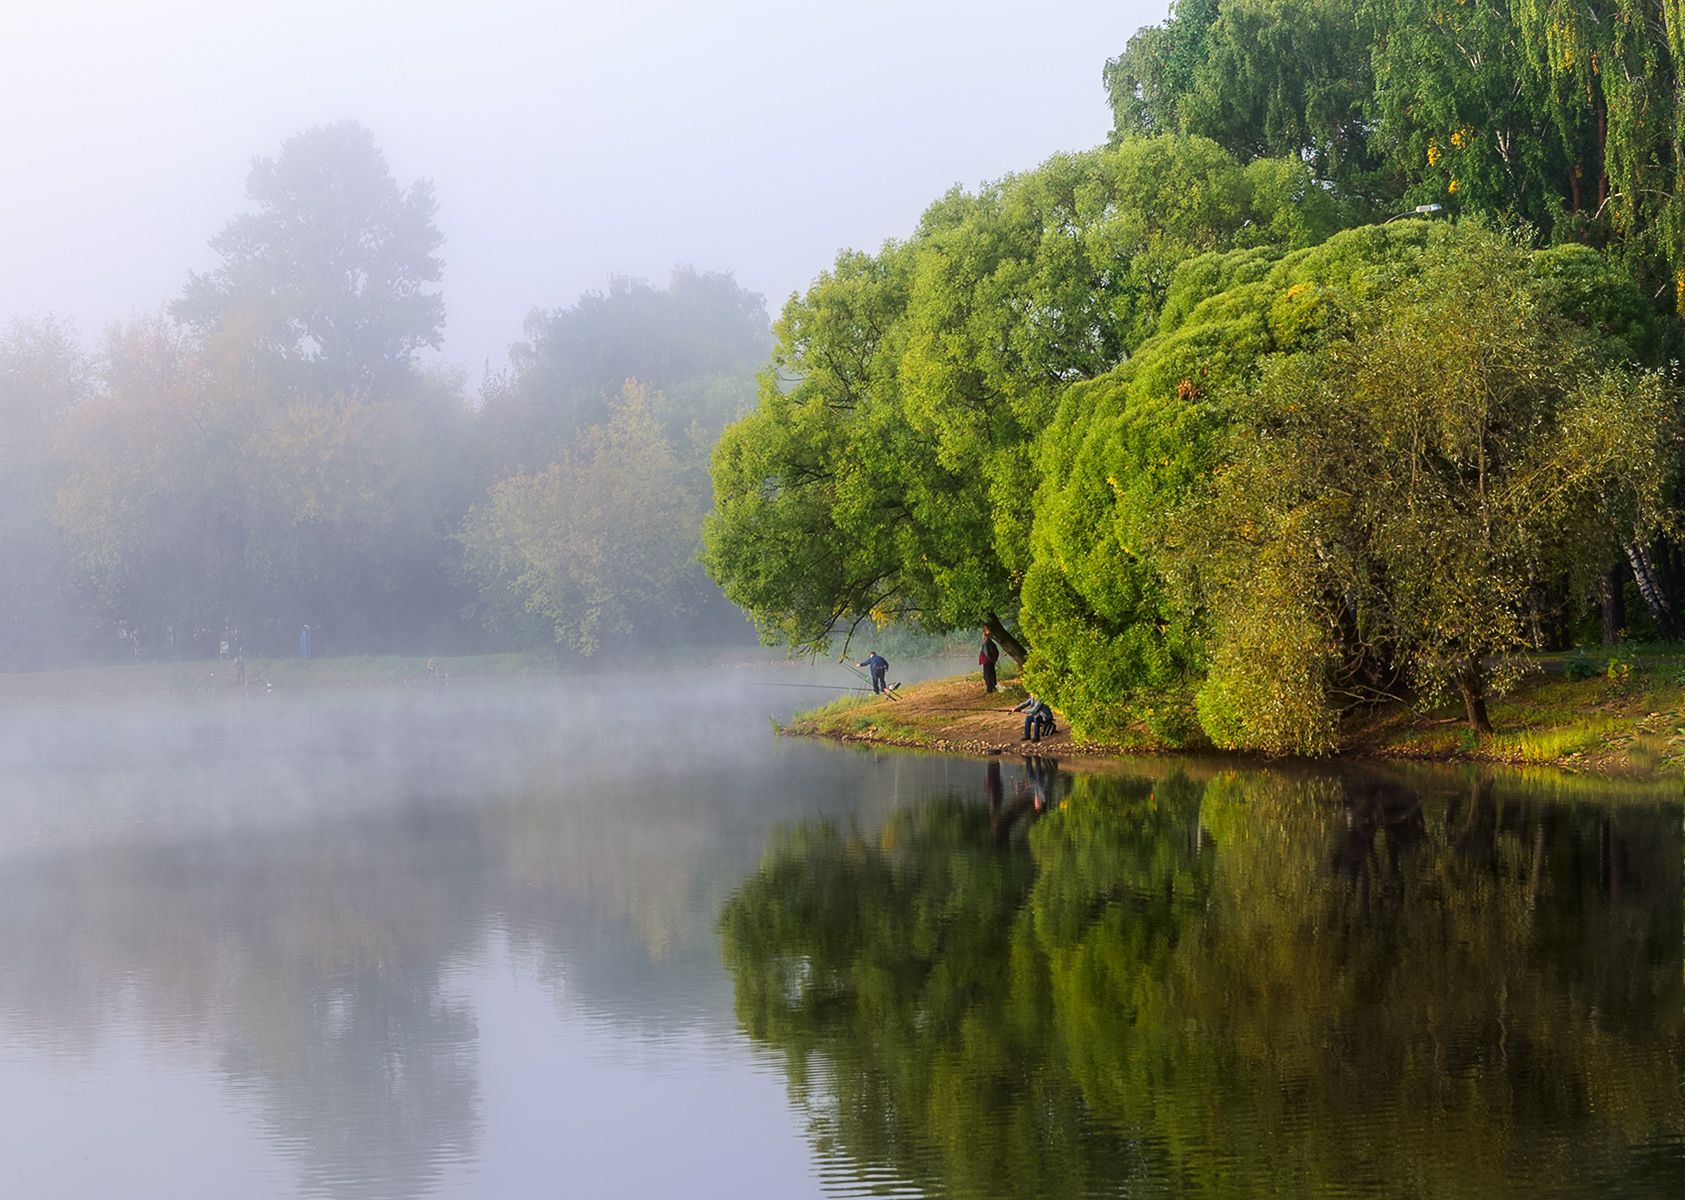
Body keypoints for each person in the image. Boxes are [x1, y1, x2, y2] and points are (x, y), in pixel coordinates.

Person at [979, 629, 1000, 694]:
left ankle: (989, 689)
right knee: (992, 674)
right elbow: (997, 652)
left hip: (987, 661)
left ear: (984, 638)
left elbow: (986, 653)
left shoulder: (986, 643)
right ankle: (993, 687)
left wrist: (991, 659)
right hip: (991, 661)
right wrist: (994, 660)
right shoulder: (992, 643)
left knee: (987, 675)